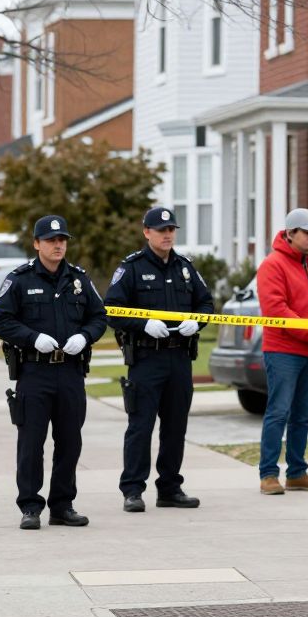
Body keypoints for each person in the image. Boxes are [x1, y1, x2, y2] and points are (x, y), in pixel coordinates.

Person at [0, 215, 107, 530]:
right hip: (35, 372)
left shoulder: (78, 279)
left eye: (62, 240)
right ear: (37, 243)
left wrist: (84, 336)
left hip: (70, 371)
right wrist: (32, 338)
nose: (58, 245)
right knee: (31, 442)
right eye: (52, 240)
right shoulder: (21, 279)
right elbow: (0, 320)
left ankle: (62, 504)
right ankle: (30, 505)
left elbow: (99, 317)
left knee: (70, 441)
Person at [104, 207, 214, 513]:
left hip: (179, 357)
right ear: (147, 232)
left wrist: (199, 321)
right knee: (141, 426)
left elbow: (206, 302)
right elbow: (111, 309)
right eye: (161, 229)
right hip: (146, 359)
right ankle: (132, 490)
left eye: (171, 230)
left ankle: (169, 488)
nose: (167, 235)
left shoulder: (185, 267)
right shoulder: (132, 268)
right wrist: (142, 324)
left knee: (175, 426)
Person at [255, 208, 308, 495]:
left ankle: (297, 472)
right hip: (284, 352)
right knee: (278, 412)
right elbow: (277, 310)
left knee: (303, 414)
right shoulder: (272, 265)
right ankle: (268, 474)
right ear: (290, 234)